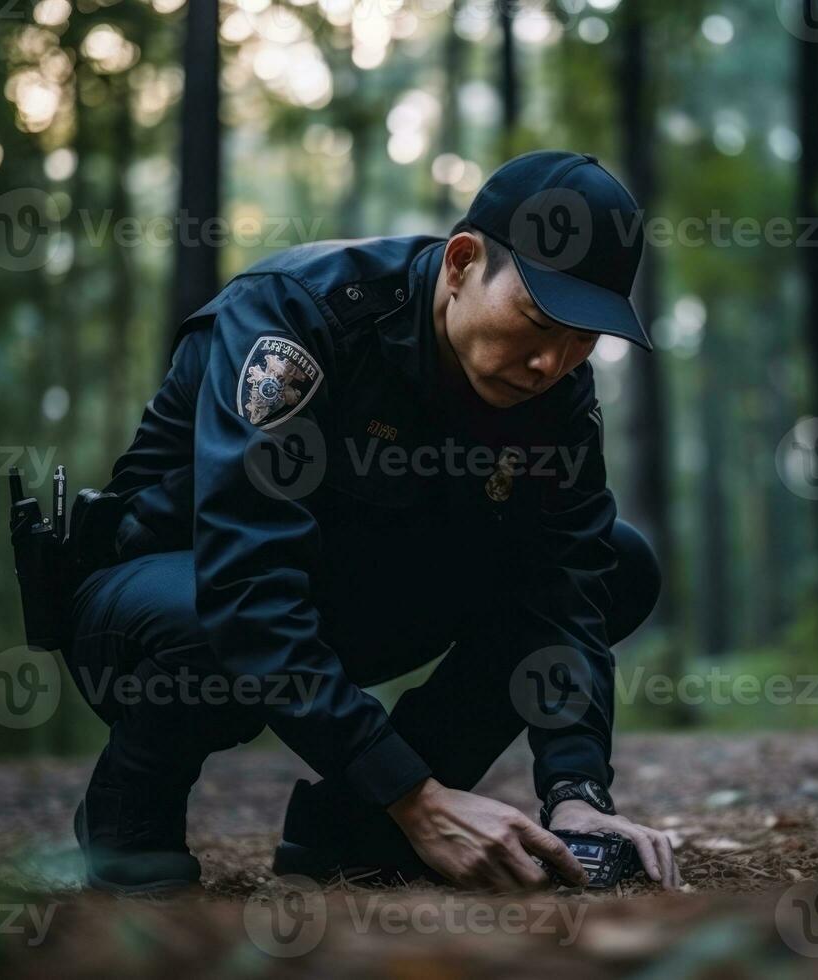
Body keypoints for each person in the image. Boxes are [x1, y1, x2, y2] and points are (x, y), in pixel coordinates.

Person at [64, 149, 681, 894]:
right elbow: (247, 578)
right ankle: (134, 812)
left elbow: (567, 591)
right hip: (171, 598)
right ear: (460, 264)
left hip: (342, 597)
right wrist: (413, 793)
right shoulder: (297, 315)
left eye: (583, 337)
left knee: (616, 566)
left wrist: (576, 794)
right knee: (211, 611)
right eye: (537, 319)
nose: (551, 363)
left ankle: (355, 828)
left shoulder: (556, 398)